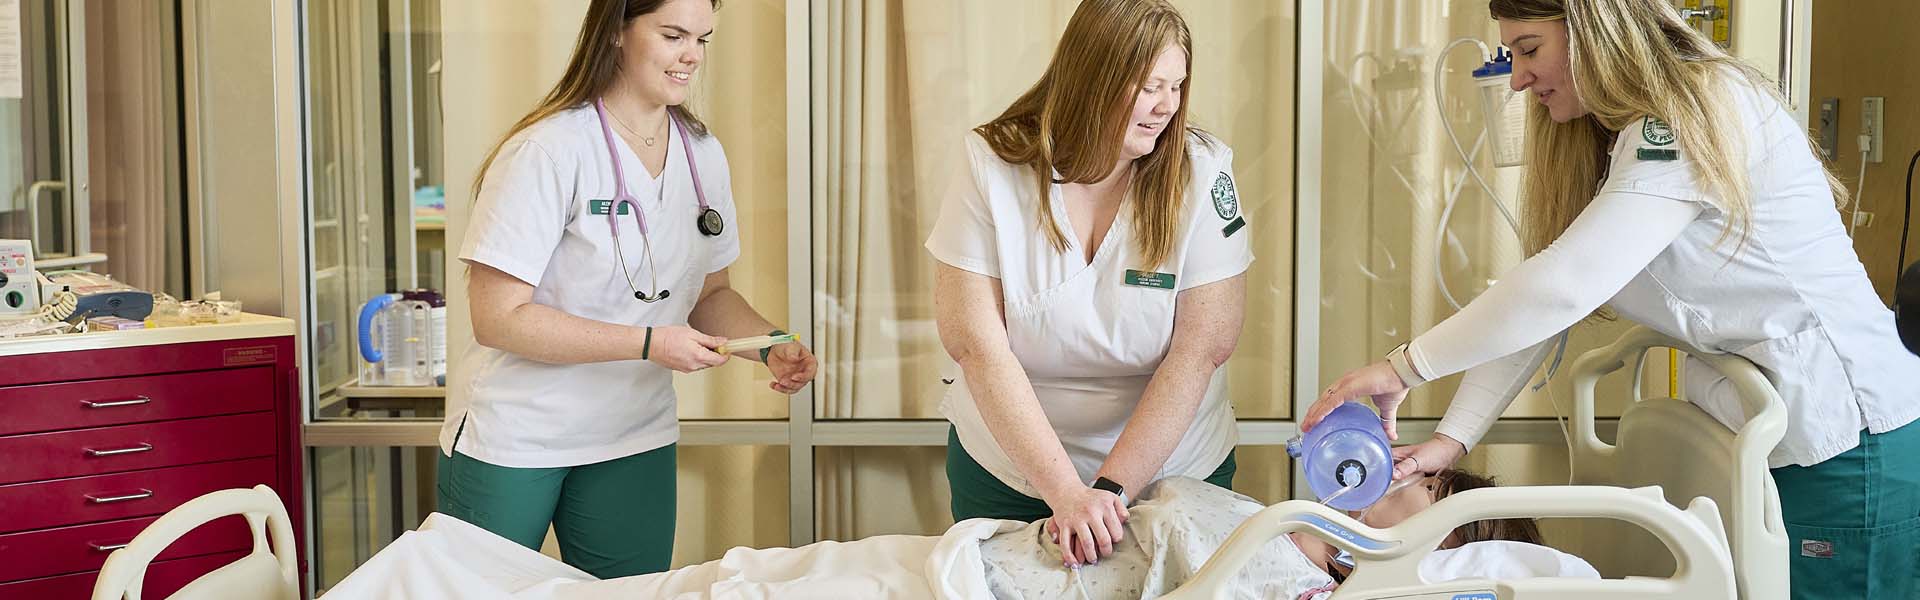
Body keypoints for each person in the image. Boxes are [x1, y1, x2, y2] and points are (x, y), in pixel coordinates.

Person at [1303, 1, 1920, 597]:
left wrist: (1403, 366)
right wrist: (1454, 439)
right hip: (1774, 427)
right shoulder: (1618, 137)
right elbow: (1543, 307)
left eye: (1529, 49)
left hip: (1845, 430)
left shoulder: (1692, 111)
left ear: (1594, 25)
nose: (1517, 79)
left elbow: (1559, 289)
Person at [439, 0, 817, 578]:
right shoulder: (549, 150)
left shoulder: (702, 156)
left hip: (631, 434)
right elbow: (499, 317)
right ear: (616, 30)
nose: (690, 55)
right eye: (672, 34)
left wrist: (769, 344)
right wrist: (649, 343)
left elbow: (711, 295)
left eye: (703, 39)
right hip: (520, 435)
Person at [926, 0, 1253, 570]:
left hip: (1172, 466)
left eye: (1176, 87)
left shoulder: (1201, 171)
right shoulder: (993, 164)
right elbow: (974, 343)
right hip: (1012, 462)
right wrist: (1065, 492)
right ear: (1095, 77)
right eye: (1151, 86)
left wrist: (1110, 491)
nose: (1167, 107)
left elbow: (1204, 348)